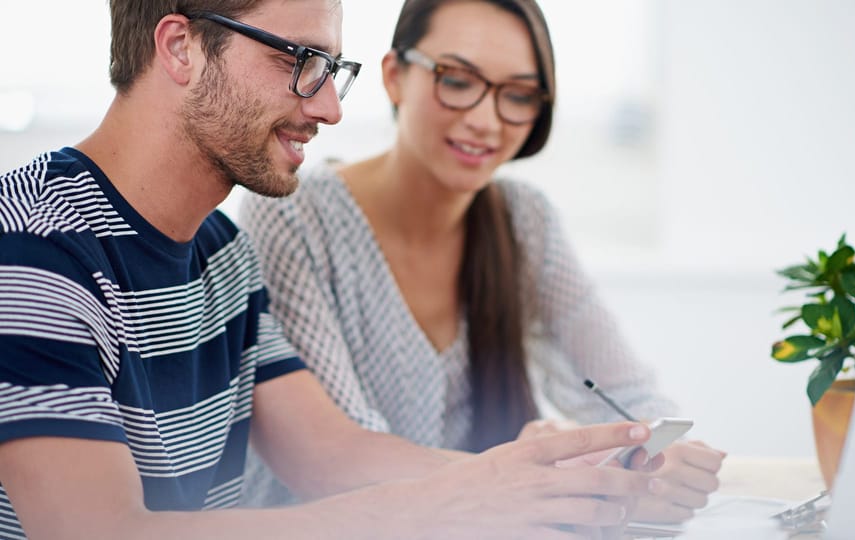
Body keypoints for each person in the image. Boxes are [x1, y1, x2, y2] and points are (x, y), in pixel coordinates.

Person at [0, 1, 664, 539]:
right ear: (181, 47)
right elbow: (99, 532)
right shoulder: (31, 249)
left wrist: (528, 477)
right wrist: (447, 506)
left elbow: (330, 454)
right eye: (299, 60)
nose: (330, 108)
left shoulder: (222, 251)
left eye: (331, 68)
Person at [238, 0, 726, 523]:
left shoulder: (525, 220)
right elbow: (343, 454)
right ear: (395, 76)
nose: (486, 120)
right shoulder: (295, 216)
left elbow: (627, 394)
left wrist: (660, 451)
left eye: (517, 94)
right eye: (457, 79)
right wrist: (541, 471)